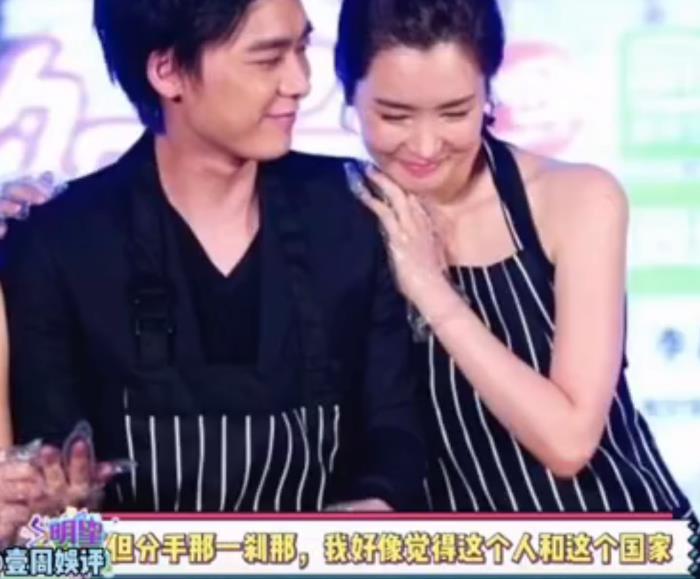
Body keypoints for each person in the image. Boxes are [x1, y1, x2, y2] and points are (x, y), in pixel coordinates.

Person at [0, 0, 425, 516]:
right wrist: (62, 512)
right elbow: (48, 485)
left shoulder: (352, 209)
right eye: (268, 59)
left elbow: (396, 423)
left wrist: (375, 503)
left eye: (301, 49)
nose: (300, 82)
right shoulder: (57, 244)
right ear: (167, 71)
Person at [334, 0, 697, 519]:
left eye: (455, 112)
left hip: (618, 538)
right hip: (461, 550)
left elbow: (569, 442)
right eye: (394, 115)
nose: (425, 145)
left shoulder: (576, 199)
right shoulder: (334, 217)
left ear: (489, 92)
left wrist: (428, 287)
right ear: (348, 92)